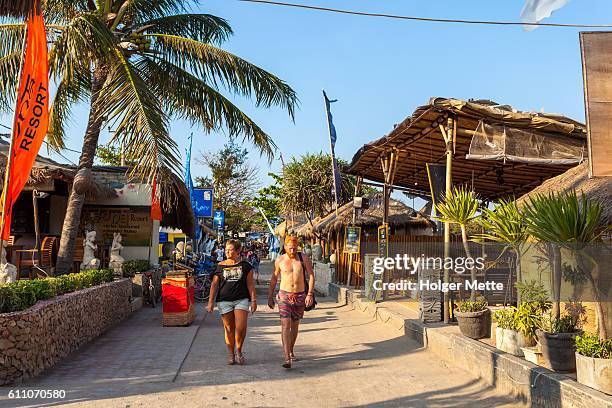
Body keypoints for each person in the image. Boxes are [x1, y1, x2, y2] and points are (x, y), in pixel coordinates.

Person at [268, 235, 315, 368]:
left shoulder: (303, 258)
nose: (292, 250)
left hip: (300, 295)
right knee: (285, 325)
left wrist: (309, 294)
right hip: (284, 296)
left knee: (294, 326)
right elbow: (274, 278)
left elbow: (311, 275)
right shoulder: (280, 260)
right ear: (285, 247)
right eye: (290, 248)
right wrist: (270, 296)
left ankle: (291, 349)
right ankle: (286, 357)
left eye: (294, 247)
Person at [207, 239, 257, 365]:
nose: (228, 252)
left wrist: (254, 300)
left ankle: (239, 351)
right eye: (226, 250)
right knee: (229, 328)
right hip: (224, 300)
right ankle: (230, 353)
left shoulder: (246, 266)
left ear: (238, 250)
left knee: (240, 327)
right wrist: (210, 302)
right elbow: (214, 285)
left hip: (241, 299)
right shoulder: (220, 266)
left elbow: (250, 284)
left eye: (231, 250)